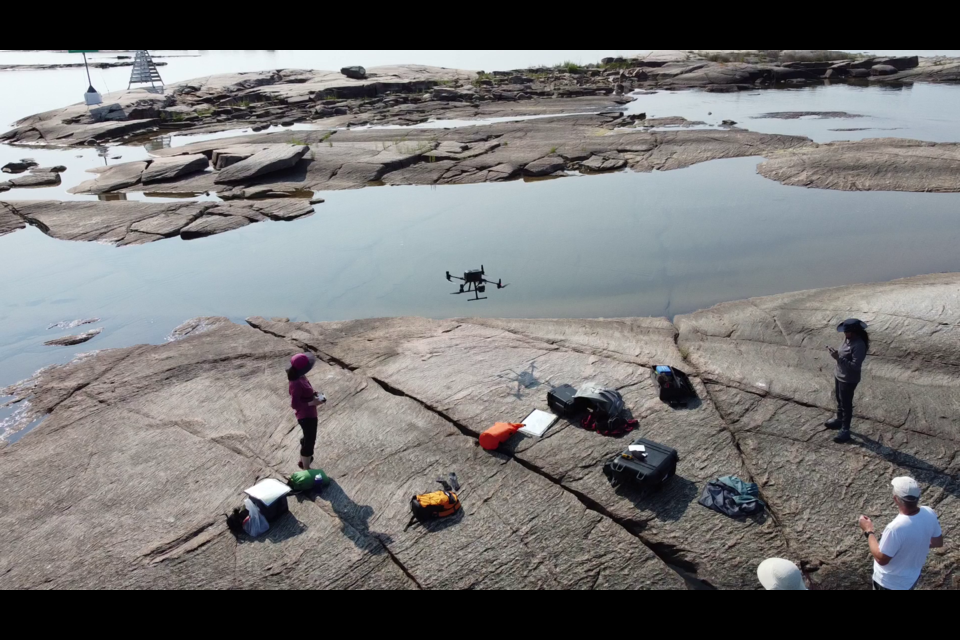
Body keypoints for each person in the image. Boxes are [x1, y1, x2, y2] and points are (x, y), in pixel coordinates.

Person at [858, 477, 944, 591]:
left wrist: (868, 531)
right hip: (910, 579)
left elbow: (881, 559)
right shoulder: (929, 512)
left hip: (888, 583)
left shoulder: (895, 528)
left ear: (896, 499)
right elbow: (938, 542)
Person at [825, 318, 869, 444]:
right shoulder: (848, 339)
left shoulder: (859, 345)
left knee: (846, 404)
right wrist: (837, 354)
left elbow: (855, 366)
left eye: (847, 332)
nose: (845, 334)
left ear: (854, 332)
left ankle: (845, 430)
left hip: (848, 379)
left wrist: (838, 358)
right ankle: (839, 420)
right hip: (839, 374)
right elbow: (844, 355)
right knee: (839, 398)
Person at [287, 353, 325, 470]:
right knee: (309, 441)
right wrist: (311, 403)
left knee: (308, 437)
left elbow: (307, 392)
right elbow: (294, 404)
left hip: (311, 414)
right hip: (306, 416)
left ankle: (303, 460)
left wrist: (315, 394)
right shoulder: (296, 383)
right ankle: (306, 468)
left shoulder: (301, 377)